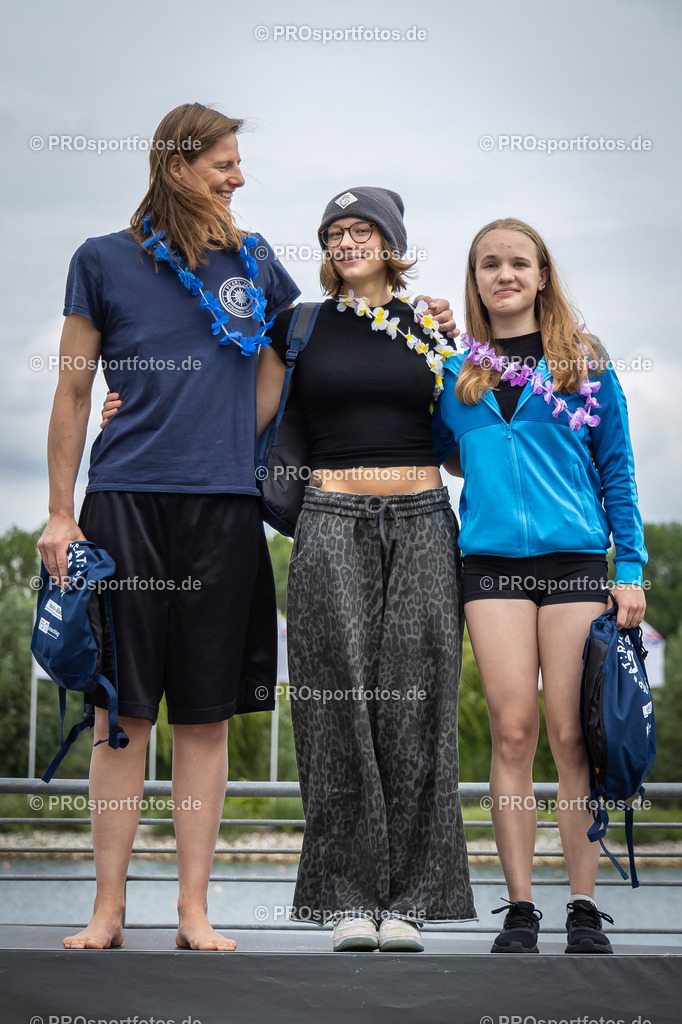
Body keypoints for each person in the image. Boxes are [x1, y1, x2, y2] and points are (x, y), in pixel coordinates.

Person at [37, 102, 303, 951]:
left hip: (224, 509)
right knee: (120, 717)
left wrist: (226, 436)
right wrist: (59, 513)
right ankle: (107, 909)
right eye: (224, 164)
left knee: (203, 717)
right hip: (123, 505)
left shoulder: (255, 261)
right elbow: (73, 389)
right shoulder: (101, 260)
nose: (238, 178)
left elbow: (283, 363)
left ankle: (193, 910)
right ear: (178, 165)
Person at [255, 187, 476, 952]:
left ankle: (412, 901)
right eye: (335, 232)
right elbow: (247, 418)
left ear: (391, 243)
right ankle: (347, 899)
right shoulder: (299, 326)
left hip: (423, 521)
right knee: (332, 705)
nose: (346, 242)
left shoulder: (430, 326)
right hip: (329, 522)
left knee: (420, 708)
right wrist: (131, 409)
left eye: (362, 230)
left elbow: (464, 443)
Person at [431, 217, 647, 955]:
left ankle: (583, 906)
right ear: (475, 279)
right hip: (489, 567)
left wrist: (630, 569)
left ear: (542, 274)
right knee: (513, 731)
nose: (505, 274)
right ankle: (521, 908)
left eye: (519, 262)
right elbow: (433, 450)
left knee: (571, 735)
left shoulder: (583, 362)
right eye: (489, 264)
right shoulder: (454, 371)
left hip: (575, 563)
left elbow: (617, 468)